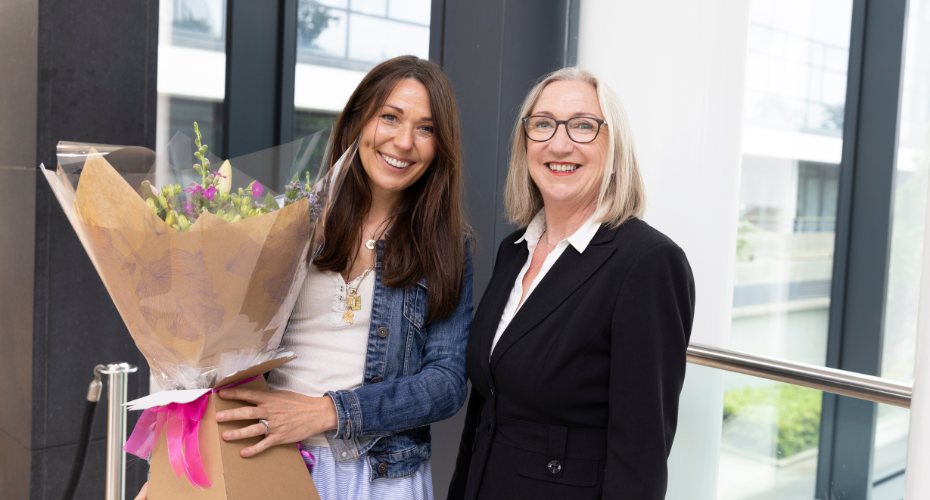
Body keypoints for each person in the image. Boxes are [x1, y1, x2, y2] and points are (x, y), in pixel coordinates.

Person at [136, 55, 473, 500]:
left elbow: (446, 384)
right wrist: (171, 475)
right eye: (390, 117)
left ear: (440, 145)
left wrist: (329, 412)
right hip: (269, 459)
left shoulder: (448, 245)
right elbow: (218, 348)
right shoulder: (292, 221)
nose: (404, 141)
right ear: (359, 120)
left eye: (426, 128)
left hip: (381, 475)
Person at [447, 67, 695, 500]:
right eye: (542, 124)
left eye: (583, 126)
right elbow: (485, 411)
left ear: (613, 147)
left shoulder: (648, 263)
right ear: (525, 144)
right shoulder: (515, 250)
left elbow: (640, 456)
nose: (559, 144)